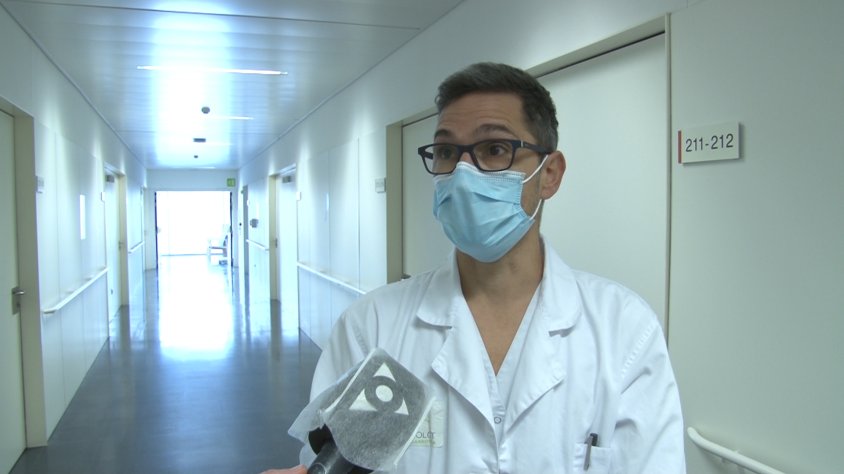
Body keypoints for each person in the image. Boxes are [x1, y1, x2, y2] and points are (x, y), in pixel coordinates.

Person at [267, 62, 686, 473]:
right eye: (447, 152)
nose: (463, 173)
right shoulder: (372, 327)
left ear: (550, 174)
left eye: (495, 149)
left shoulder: (623, 330)